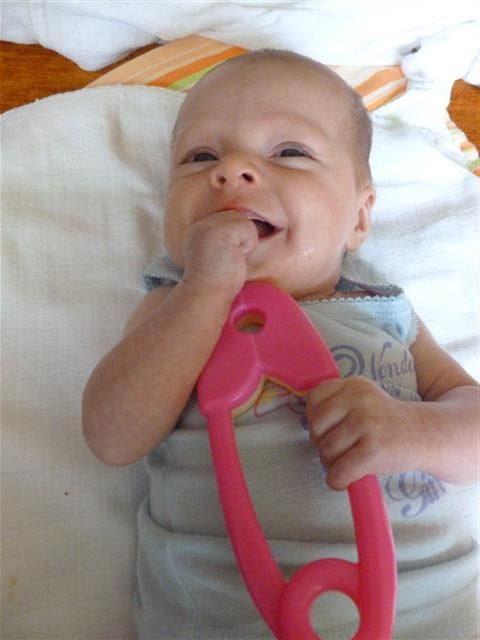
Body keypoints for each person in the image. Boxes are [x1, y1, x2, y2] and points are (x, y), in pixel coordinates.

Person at [82, 50, 479, 639]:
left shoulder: (383, 310)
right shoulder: (174, 307)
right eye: (200, 157)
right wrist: (204, 289)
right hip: (226, 618)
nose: (232, 171)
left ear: (359, 219)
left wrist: (412, 430)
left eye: (289, 151)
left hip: (429, 607)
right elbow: (112, 435)